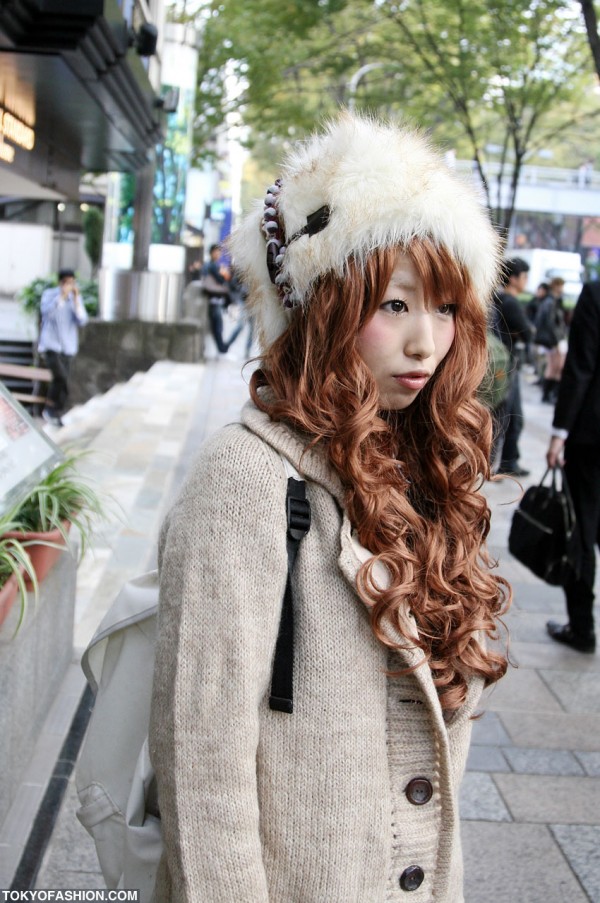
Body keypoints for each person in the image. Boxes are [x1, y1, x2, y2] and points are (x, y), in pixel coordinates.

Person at [149, 113, 510, 903]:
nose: (427, 342)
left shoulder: (425, 469)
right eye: (394, 304)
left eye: (446, 308)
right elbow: (200, 761)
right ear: (324, 307)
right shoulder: (243, 479)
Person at [546, 281, 600, 654]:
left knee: (581, 529)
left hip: (592, 436)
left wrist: (559, 432)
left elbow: (580, 365)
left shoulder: (596, 293)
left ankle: (581, 628)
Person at [492, 257, 534, 476]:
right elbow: (528, 333)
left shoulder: (497, 298)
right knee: (507, 414)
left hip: (499, 365)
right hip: (506, 366)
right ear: (515, 278)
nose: (526, 281)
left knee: (504, 414)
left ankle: (506, 462)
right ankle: (501, 464)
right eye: (525, 276)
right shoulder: (510, 301)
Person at [37, 268, 88, 426]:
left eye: (72, 282)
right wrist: (62, 296)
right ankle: (50, 410)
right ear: (60, 283)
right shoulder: (50, 295)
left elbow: (82, 320)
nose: (69, 285)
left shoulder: (75, 299)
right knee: (60, 377)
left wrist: (76, 300)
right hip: (51, 345)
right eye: (66, 282)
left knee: (63, 379)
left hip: (68, 346)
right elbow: (47, 314)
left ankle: (56, 412)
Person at [202, 243, 244, 356]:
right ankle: (222, 347)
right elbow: (222, 279)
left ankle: (221, 347)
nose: (218, 254)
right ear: (211, 253)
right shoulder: (211, 266)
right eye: (216, 251)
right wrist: (223, 274)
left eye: (219, 252)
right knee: (217, 326)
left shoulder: (212, 265)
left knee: (217, 326)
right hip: (214, 300)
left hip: (215, 300)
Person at [534, 276, 567, 403]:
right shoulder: (551, 302)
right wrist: (557, 341)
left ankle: (549, 393)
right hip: (553, 340)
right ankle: (549, 394)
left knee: (555, 366)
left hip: (554, 339)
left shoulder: (552, 301)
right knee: (556, 366)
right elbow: (551, 323)